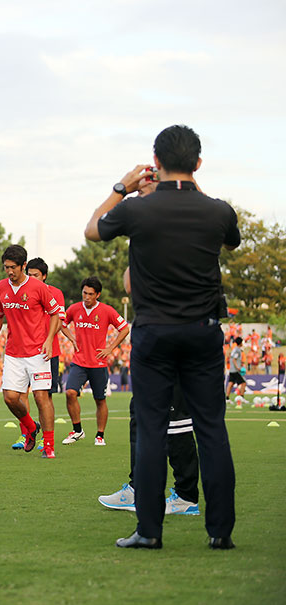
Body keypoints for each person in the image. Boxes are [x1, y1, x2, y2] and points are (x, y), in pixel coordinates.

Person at [85, 124, 239, 549]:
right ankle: (220, 532)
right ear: (198, 163)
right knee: (212, 429)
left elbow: (92, 230)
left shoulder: (138, 209)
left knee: (151, 430)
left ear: (153, 164)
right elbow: (231, 241)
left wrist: (123, 187)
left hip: (153, 333)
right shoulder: (218, 210)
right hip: (203, 332)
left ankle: (149, 532)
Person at [99, 267, 200, 516]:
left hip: (175, 350)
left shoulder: (176, 255)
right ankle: (139, 489)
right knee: (139, 417)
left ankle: (186, 496)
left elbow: (131, 282)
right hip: (155, 352)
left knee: (176, 425)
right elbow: (129, 282)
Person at [0, 244, 63, 458]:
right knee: (10, 398)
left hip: (38, 352)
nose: (10, 272)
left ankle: (49, 446)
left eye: (13, 267)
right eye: (6, 267)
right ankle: (31, 428)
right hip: (13, 352)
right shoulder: (0, 288)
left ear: (23, 265)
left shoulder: (39, 288)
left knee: (42, 397)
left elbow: (55, 314)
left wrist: (49, 340)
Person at [8, 258, 71, 450]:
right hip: (22, 351)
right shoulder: (19, 290)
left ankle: (46, 436)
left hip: (46, 352)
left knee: (44, 396)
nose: (31, 278)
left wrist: (48, 340)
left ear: (44, 276)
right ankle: (26, 432)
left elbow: (59, 319)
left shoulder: (55, 293)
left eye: (35, 275)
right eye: (30, 274)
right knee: (19, 395)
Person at [61, 276, 130, 446]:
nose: (86, 297)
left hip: (98, 363)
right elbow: (61, 323)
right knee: (70, 392)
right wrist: (71, 338)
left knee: (100, 400)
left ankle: (100, 435)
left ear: (97, 294)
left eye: (90, 294)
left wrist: (110, 348)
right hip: (79, 361)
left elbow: (124, 329)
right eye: (84, 293)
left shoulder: (107, 311)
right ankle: (78, 431)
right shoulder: (74, 308)